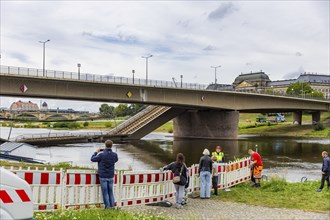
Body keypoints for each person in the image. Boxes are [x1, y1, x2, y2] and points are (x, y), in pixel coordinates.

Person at [91, 140, 118, 209]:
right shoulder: (114, 155)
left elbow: (92, 159)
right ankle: (112, 207)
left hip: (103, 176)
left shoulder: (101, 155)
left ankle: (108, 207)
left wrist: (96, 152)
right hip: (111, 176)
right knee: (111, 192)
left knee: (105, 192)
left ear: (105, 145)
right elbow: (116, 160)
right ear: (111, 146)